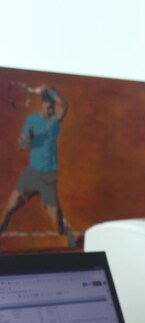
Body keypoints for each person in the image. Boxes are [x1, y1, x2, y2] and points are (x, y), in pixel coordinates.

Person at [0, 84, 76, 247]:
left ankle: (66, 229)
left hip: (48, 178)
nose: (50, 109)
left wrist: (51, 91)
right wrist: (26, 139)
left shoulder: (55, 120)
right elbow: (21, 145)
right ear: (42, 104)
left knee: (57, 224)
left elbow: (63, 106)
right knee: (8, 210)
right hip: (31, 174)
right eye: (47, 105)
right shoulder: (31, 120)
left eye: (52, 106)